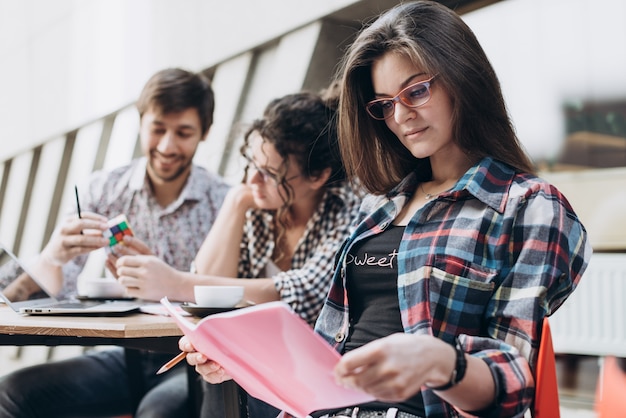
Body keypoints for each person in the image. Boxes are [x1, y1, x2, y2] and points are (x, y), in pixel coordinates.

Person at [181, 2, 592, 418]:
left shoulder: (528, 207)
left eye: (416, 91)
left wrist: (438, 360)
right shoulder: (379, 206)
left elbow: (514, 383)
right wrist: (242, 359)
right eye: (383, 105)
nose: (400, 116)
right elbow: (326, 354)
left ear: (462, 79)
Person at [0, 67, 230, 417]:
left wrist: (168, 281)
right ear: (140, 124)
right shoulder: (103, 189)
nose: (167, 146)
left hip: (197, 359)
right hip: (126, 356)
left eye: (183, 133)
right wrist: (53, 255)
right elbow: (33, 299)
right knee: (10, 393)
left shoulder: (222, 201)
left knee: (158, 413)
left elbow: (232, 299)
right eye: (157, 129)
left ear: (205, 133)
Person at [115, 90, 361, 417]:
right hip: (241, 359)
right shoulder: (258, 205)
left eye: (270, 173)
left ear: (318, 176)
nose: (252, 179)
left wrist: (173, 282)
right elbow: (204, 293)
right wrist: (234, 205)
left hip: (305, 372)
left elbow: (299, 296)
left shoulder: (348, 209)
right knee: (159, 409)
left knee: (212, 388)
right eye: (251, 164)